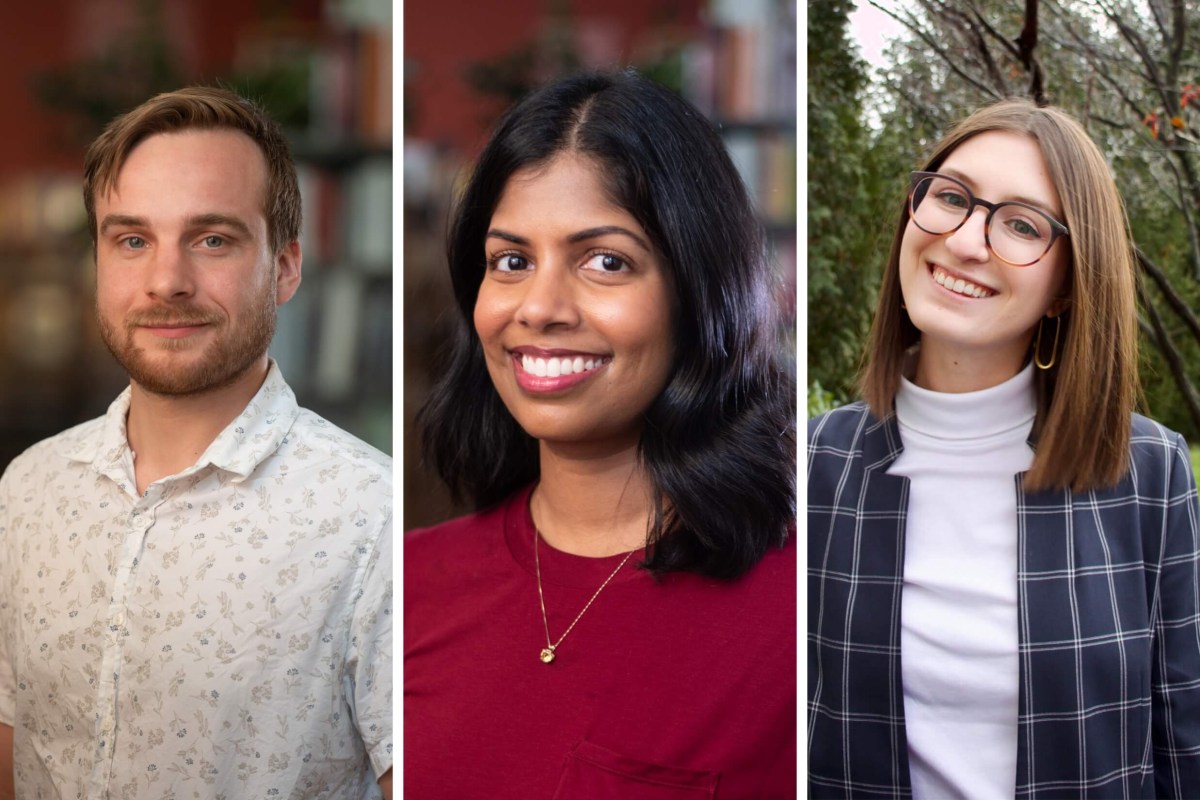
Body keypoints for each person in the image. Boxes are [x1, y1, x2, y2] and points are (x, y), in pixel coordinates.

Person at [405, 69, 796, 799]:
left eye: (605, 261)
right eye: (511, 261)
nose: (541, 307)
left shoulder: (800, 613)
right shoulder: (398, 589)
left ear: (699, 291)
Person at [0, 87, 393, 798]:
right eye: (132, 240)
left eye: (212, 239)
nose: (167, 282)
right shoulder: (27, 490)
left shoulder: (371, 518)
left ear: (285, 267)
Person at [808, 98, 1200, 797]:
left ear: (1067, 288)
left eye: (1020, 223)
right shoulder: (809, 466)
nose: (965, 240)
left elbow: (1186, 747)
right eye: (951, 198)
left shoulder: (1149, 473)